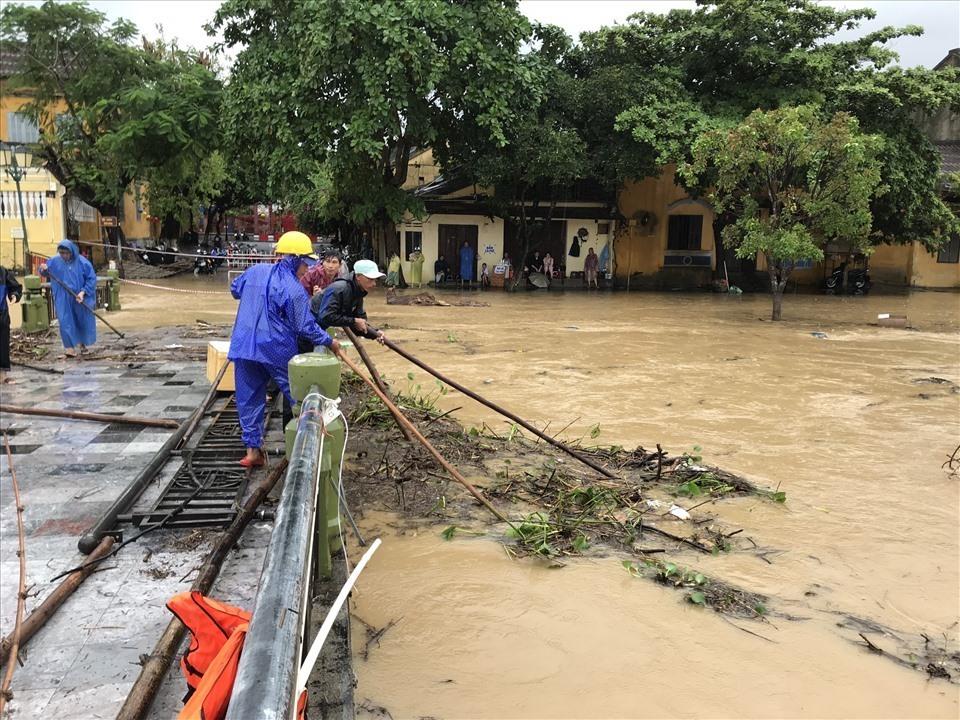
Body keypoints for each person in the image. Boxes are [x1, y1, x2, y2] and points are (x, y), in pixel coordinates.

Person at [228, 231, 339, 468]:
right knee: (297, 394)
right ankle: (305, 446)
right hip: (275, 348)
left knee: (248, 398)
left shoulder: (255, 271)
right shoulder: (294, 289)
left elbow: (235, 289)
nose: (307, 271)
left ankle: (252, 452)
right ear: (296, 259)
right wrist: (330, 342)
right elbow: (305, 327)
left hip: (244, 344)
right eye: (305, 265)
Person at [39, 239, 97, 357]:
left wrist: (83, 292)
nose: (64, 256)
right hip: (63, 296)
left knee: (81, 320)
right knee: (65, 321)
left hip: (78, 296)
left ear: (71, 252)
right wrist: (43, 269)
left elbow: (91, 278)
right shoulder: (55, 261)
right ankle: (69, 348)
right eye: (62, 253)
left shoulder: (82, 262)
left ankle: (82, 343)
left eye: (66, 253)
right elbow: (45, 272)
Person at [312, 259, 387, 345]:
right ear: (358, 277)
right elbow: (326, 316)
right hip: (307, 327)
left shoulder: (359, 293)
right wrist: (354, 321)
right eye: (370, 279)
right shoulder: (340, 289)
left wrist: (375, 333)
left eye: (375, 280)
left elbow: (359, 323)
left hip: (318, 329)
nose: (374, 284)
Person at [0, 265, 23, 384]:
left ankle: (2, 375)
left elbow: (15, 287)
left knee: (2, 345)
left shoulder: (3, 272)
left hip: (1, 314)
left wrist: (14, 295)